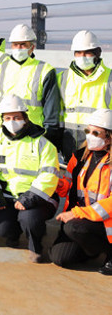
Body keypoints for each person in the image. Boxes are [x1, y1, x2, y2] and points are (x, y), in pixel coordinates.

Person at [0, 94, 59, 263]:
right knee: (1, 227)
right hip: (10, 197)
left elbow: (49, 175)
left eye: (17, 117)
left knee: (29, 219)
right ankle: (14, 233)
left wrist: (29, 198)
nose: (12, 121)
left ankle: (36, 246)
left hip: (38, 198)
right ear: (1, 120)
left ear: (25, 118)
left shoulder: (42, 144)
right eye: (8, 117)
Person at [51, 109, 112, 274]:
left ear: (109, 138)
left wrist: (77, 213)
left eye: (96, 133)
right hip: (84, 219)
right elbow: (68, 188)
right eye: (88, 131)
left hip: (105, 223)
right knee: (60, 258)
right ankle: (90, 248)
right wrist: (55, 181)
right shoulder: (79, 157)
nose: (89, 135)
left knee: (74, 228)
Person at [0, 24, 60, 146]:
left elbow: (51, 107)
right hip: (3, 134)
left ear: (32, 47)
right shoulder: (0, 69)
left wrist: (48, 135)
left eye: (23, 45)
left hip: (32, 135)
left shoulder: (45, 70)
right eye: (15, 44)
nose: (19, 48)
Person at [59, 30, 112, 159]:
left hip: (98, 151)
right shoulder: (62, 78)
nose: (82, 56)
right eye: (78, 52)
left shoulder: (109, 79)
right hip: (68, 148)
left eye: (87, 52)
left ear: (98, 53)